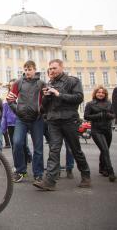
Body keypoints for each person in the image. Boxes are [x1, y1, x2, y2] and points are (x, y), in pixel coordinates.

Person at [34, 59, 91, 191]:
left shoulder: (73, 81)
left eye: (54, 68)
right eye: (50, 68)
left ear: (61, 67)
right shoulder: (49, 84)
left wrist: (59, 94)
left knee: (75, 149)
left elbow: (79, 98)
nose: (52, 71)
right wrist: (46, 97)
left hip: (69, 120)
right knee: (54, 150)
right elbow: (44, 107)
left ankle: (86, 175)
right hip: (53, 121)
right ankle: (50, 181)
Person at [7, 61, 45, 183]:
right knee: (17, 143)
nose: (27, 72)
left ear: (35, 70)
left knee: (38, 148)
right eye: (26, 69)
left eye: (30, 69)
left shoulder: (41, 84)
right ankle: (20, 171)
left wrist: (41, 111)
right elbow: (10, 99)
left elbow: (47, 101)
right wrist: (17, 110)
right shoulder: (18, 83)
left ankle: (38, 174)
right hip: (21, 119)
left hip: (37, 119)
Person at [84, 85, 115, 182]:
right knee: (105, 150)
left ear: (105, 94)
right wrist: (99, 115)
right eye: (98, 92)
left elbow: (114, 114)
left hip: (107, 130)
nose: (100, 94)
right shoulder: (90, 104)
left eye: (102, 92)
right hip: (97, 130)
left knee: (104, 149)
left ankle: (102, 168)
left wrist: (108, 115)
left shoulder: (109, 103)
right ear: (95, 93)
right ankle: (111, 172)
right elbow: (86, 116)